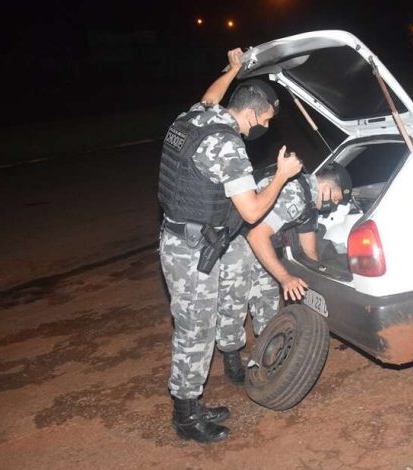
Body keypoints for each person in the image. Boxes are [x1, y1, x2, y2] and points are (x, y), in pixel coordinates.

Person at [157, 48, 303, 443]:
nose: (266, 127)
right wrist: (282, 176)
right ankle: (186, 418)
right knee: (195, 332)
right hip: (191, 253)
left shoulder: (196, 117)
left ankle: (190, 404)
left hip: (180, 239)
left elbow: (211, 94)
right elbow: (253, 211)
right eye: (267, 120)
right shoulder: (227, 146)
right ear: (253, 114)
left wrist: (234, 68)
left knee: (194, 327)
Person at [216, 164, 352, 384]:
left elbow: (310, 251)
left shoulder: (310, 204)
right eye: (335, 198)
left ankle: (267, 350)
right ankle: (231, 360)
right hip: (239, 243)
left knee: (267, 298)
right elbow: (256, 237)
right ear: (326, 185)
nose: (334, 204)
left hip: (266, 246)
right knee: (234, 301)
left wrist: (321, 284)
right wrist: (285, 277)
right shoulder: (294, 194)